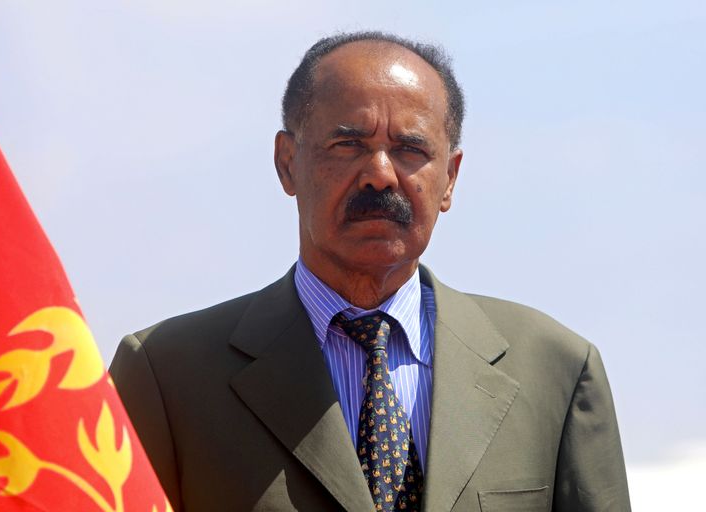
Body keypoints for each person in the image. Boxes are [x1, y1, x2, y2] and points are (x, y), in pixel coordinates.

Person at [109, 31, 631, 512]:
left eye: (410, 150)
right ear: (287, 163)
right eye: (348, 144)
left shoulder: (555, 371)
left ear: (449, 179)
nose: (380, 175)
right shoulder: (167, 374)